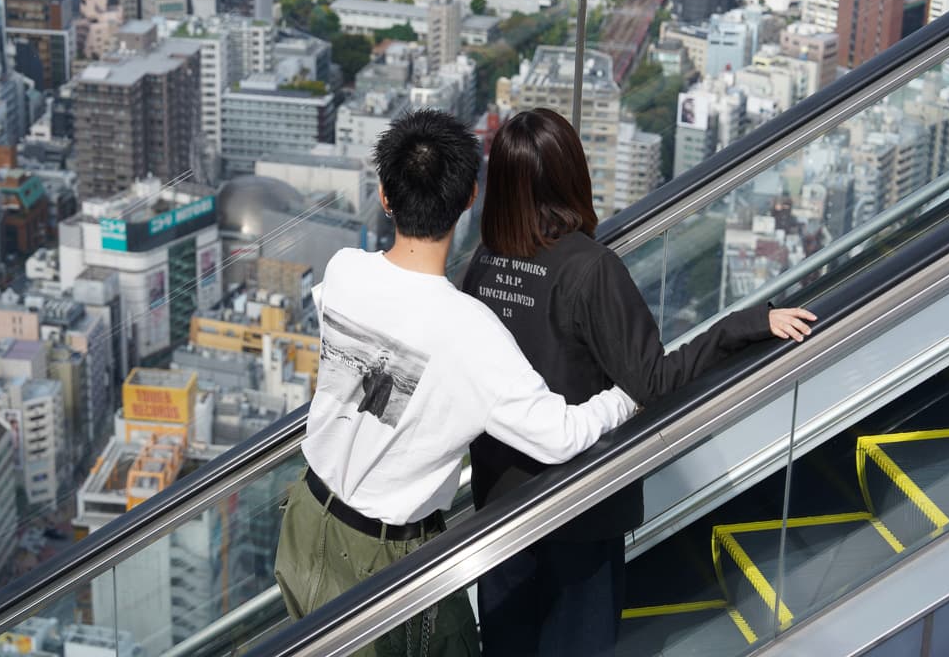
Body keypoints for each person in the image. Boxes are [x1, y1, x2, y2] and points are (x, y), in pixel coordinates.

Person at [273, 108, 639, 657]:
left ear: (383, 195)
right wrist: (626, 396)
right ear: (471, 198)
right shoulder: (470, 331)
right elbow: (559, 436)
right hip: (385, 560)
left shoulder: (344, 271)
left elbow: (361, 334)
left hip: (305, 517)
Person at [460, 108, 816, 657]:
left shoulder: (484, 264)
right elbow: (652, 381)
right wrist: (744, 326)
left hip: (501, 506)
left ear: (501, 184)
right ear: (571, 174)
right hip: (578, 505)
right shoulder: (589, 269)